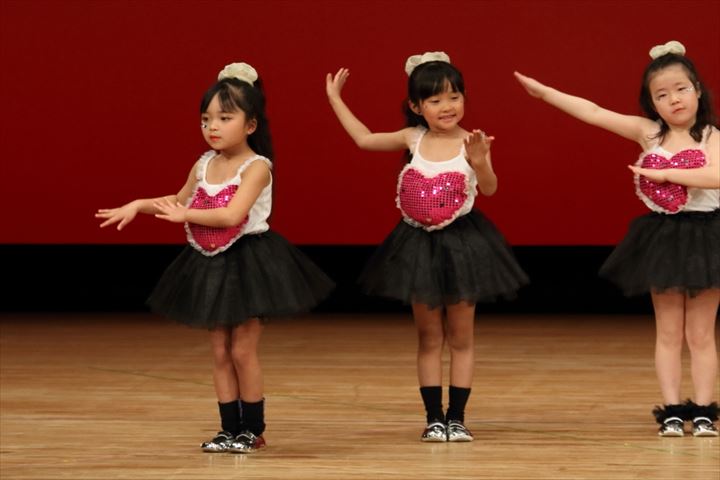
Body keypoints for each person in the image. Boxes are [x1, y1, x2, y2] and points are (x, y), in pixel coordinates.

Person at [96, 62, 334, 452]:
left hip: (248, 263)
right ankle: (228, 428)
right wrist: (140, 204)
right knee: (220, 350)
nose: (213, 127)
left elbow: (231, 215)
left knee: (242, 349)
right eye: (206, 119)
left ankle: (252, 430)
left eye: (225, 118)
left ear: (250, 125)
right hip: (212, 264)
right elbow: (178, 200)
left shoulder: (257, 167)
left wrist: (186, 214)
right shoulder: (204, 163)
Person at [515, 40, 719, 437]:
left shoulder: (711, 136)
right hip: (663, 238)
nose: (674, 99)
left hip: (707, 238)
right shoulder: (649, 133)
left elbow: (717, 176)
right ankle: (672, 410)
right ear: (651, 103)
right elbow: (594, 113)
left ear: (697, 89)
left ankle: (704, 410)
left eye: (681, 89)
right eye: (662, 95)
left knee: (700, 334)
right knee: (668, 332)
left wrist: (666, 174)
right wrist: (545, 93)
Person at [326, 52, 528, 442]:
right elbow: (364, 139)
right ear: (417, 107)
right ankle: (434, 418)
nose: (447, 106)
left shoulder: (472, 141)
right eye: (435, 100)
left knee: (461, 338)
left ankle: (458, 418)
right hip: (418, 247)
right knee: (429, 338)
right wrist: (336, 98)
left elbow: (489, 188)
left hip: (463, 247)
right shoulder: (412, 138)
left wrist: (481, 161)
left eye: (454, 96)